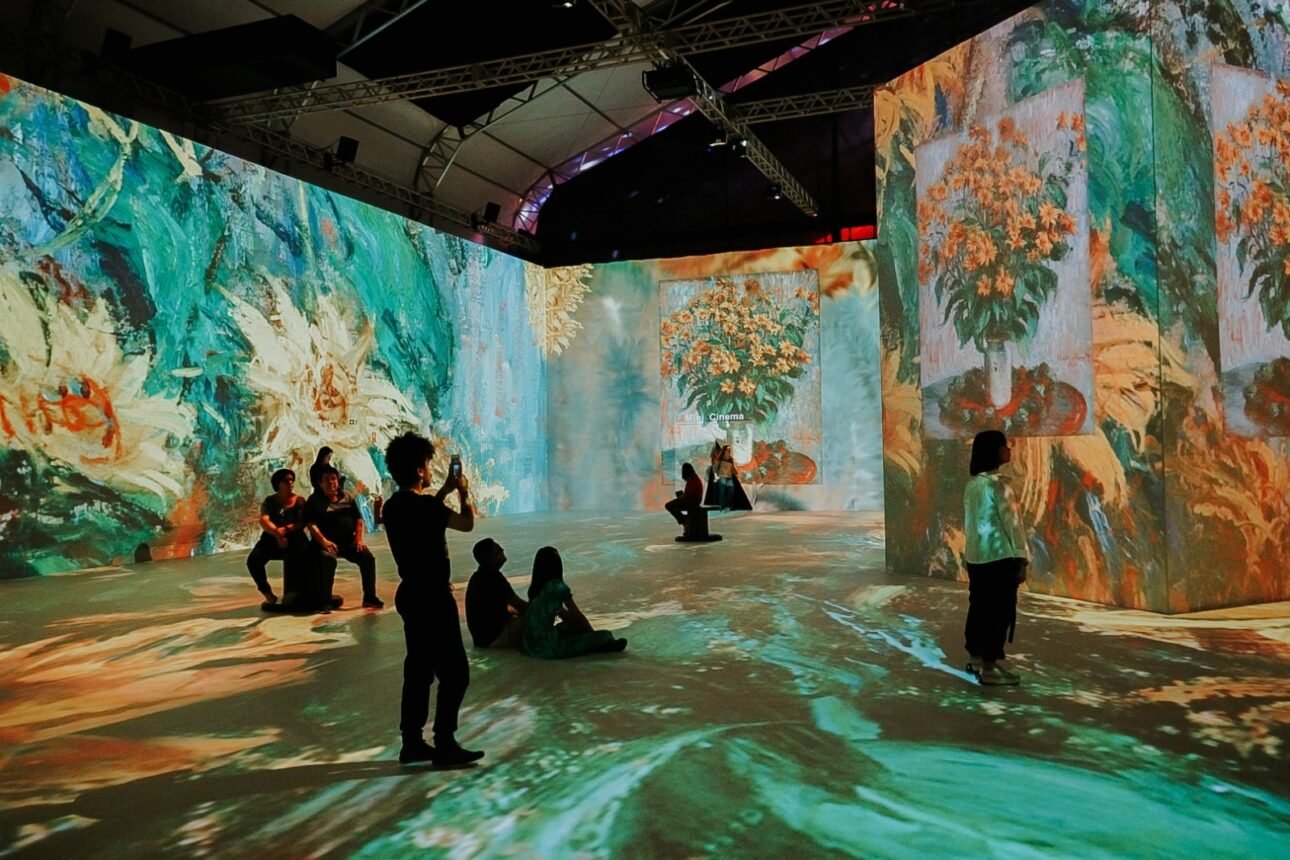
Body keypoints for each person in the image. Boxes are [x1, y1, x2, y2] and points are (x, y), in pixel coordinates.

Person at [382, 431, 484, 767]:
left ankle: (411, 742)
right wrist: (463, 492)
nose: (429, 468)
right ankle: (444, 742)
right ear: (419, 469)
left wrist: (443, 491)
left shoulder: (393, 507)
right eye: (427, 463)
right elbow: (466, 523)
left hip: (411, 593)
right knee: (455, 673)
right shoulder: (427, 507)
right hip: (434, 597)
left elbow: (426, 514)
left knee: (419, 670)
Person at [963, 430, 1030, 686]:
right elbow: (1013, 524)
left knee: (979, 608)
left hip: (977, 558)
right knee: (999, 612)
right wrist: (1021, 558)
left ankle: (976, 658)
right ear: (995, 451)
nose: (1009, 449)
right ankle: (989, 667)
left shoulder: (973, 485)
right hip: (1000, 558)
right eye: (1005, 445)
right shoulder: (1000, 484)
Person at [522, 547, 626, 659]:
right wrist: (592, 636)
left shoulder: (535, 590)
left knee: (567, 627)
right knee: (605, 635)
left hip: (529, 646)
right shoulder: (558, 587)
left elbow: (562, 613)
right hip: (548, 650)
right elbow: (577, 615)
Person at [305, 465, 382, 610]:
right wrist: (324, 541)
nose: (331, 482)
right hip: (324, 544)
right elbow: (311, 524)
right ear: (320, 483)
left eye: (333, 479)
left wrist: (358, 539)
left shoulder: (347, 497)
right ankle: (326, 600)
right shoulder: (314, 501)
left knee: (367, 558)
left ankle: (370, 597)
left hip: (347, 542)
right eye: (327, 480)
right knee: (327, 560)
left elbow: (358, 519)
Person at [246, 468, 306, 608]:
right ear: (278, 484)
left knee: (304, 555)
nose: (290, 483)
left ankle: (295, 591)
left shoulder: (299, 501)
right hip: (271, 538)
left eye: (292, 480)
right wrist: (277, 533)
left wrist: (286, 530)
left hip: (295, 538)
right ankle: (267, 593)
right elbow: (264, 520)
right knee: (253, 560)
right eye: (286, 481)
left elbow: (302, 522)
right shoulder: (270, 501)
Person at [465, 538, 528, 649]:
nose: (502, 550)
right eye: (499, 550)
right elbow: (520, 606)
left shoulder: (478, 576)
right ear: (491, 558)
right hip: (494, 638)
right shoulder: (494, 578)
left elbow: (494, 607)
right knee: (534, 621)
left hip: (482, 639)